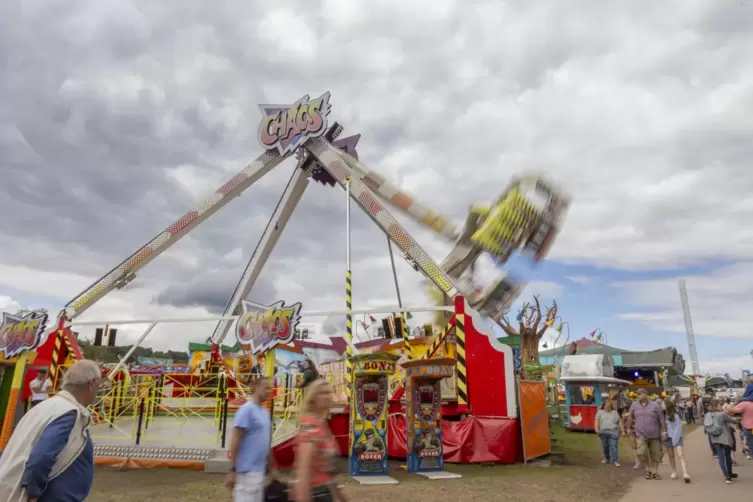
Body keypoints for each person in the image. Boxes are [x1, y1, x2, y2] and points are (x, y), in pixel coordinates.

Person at [0, 360, 102, 501]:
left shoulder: (47, 407)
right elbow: (41, 457)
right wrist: (34, 492)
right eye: (99, 384)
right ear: (92, 384)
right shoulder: (68, 413)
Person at [292, 379, 347, 502]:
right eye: (322, 393)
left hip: (325, 491)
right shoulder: (309, 425)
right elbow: (304, 470)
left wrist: (341, 497)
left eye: (329, 392)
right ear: (313, 398)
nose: (327, 396)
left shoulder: (321, 423)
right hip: (314, 493)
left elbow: (328, 473)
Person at [226, 377, 277, 502]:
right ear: (255, 388)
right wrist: (233, 470)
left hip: (259, 471)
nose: (269, 391)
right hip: (245, 471)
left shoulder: (265, 412)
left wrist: (273, 467)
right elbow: (235, 440)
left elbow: (266, 442)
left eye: (270, 388)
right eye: (265, 387)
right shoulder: (246, 410)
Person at [628, 387, 667, 480]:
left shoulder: (655, 405)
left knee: (656, 453)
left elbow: (661, 419)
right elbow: (630, 417)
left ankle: (654, 472)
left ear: (646, 394)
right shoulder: (634, 405)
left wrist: (664, 431)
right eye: (637, 394)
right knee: (641, 452)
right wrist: (629, 428)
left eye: (640, 394)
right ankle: (648, 469)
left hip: (655, 434)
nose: (638, 396)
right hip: (641, 434)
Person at [705, 398, 740, 484]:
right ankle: (729, 473)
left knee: (721, 457)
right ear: (717, 405)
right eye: (720, 404)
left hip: (714, 438)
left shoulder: (708, 415)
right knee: (727, 455)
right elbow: (733, 421)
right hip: (725, 438)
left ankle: (726, 476)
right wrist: (738, 420)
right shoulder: (721, 415)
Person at [663, 398, 690, 483]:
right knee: (671, 456)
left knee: (680, 455)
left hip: (676, 437)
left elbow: (678, 429)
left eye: (663, 404)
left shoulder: (675, 416)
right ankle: (674, 471)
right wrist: (663, 435)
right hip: (668, 438)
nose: (661, 406)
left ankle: (685, 473)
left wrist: (675, 440)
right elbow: (663, 428)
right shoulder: (663, 416)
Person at [595, 400, 622, 466]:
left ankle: (615, 461)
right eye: (606, 405)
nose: (608, 407)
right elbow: (596, 421)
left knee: (613, 446)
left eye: (609, 406)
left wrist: (621, 430)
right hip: (603, 432)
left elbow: (620, 421)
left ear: (611, 407)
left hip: (613, 432)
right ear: (603, 406)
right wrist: (596, 428)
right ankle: (606, 458)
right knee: (605, 446)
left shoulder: (615, 412)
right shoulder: (600, 412)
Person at [621, 404, 641, 470]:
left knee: (640, 446)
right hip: (631, 432)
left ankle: (640, 460)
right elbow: (622, 423)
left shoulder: (638, 413)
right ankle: (637, 462)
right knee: (634, 447)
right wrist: (623, 431)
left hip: (639, 431)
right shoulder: (626, 415)